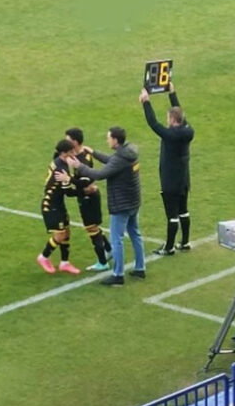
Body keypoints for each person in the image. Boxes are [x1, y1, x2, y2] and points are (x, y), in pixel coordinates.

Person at [61, 126, 144, 286]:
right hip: (134, 201)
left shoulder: (120, 158)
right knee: (135, 234)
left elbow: (100, 175)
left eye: (108, 138)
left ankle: (118, 275)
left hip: (121, 204)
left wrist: (79, 167)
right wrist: (94, 152)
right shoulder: (127, 153)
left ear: (115, 140)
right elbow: (111, 161)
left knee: (116, 239)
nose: (107, 140)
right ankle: (140, 268)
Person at [139, 82, 195, 256]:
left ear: (172, 120)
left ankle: (169, 247)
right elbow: (179, 113)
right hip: (184, 178)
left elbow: (153, 123)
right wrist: (172, 93)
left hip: (170, 179)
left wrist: (146, 102)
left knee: (172, 215)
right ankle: (185, 242)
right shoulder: (188, 130)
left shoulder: (170, 135)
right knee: (183, 210)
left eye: (168, 118)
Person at [64, 127, 112, 271]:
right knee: (94, 227)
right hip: (88, 195)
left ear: (75, 142)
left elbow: (86, 181)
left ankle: (102, 262)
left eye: (68, 140)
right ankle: (109, 250)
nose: (66, 142)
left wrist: (69, 179)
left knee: (91, 229)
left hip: (88, 197)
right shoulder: (80, 154)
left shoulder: (82, 159)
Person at [36, 140, 81, 275]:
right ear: (64, 153)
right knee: (60, 234)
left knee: (66, 232)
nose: (74, 154)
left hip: (58, 204)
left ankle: (64, 263)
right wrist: (84, 191)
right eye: (71, 151)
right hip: (51, 205)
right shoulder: (61, 169)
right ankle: (43, 257)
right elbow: (68, 192)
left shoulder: (59, 162)